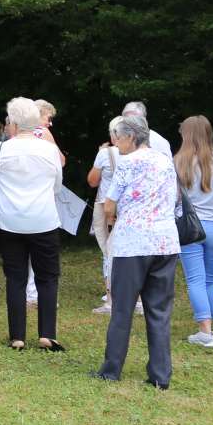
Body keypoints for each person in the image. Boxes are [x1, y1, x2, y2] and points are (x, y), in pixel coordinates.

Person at [93, 115, 180, 387]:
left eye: (118, 137)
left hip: (133, 244)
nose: (116, 143)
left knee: (122, 309)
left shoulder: (127, 162)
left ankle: (111, 369)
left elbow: (109, 205)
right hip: (165, 241)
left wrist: (113, 220)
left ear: (130, 137)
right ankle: (160, 375)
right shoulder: (165, 160)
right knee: (159, 310)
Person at [0, 97, 64, 350]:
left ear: (14, 124)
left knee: (15, 279)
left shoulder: (1, 150)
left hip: (11, 222)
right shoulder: (49, 149)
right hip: (44, 220)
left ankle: (17, 336)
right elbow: (57, 186)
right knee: (47, 278)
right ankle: (47, 334)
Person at [176, 115, 213, 348]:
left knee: (195, 281)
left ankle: (205, 331)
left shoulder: (179, 161)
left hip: (191, 227)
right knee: (211, 280)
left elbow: (173, 197)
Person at [86, 118, 125, 314]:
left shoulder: (105, 153)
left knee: (108, 250)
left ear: (113, 134)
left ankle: (110, 300)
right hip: (129, 206)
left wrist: (99, 153)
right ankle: (138, 300)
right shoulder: (139, 153)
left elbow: (92, 181)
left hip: (106, 205)